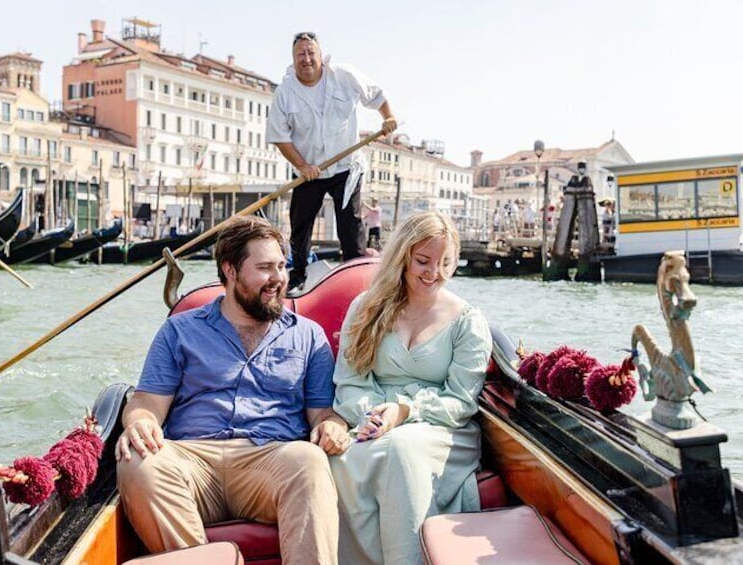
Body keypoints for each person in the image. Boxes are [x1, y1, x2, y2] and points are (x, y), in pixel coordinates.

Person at [115, 216, 349, 563]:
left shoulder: (308, 335)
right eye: (265, 267)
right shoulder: (179, 330)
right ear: (230, 270)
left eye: (282, 266)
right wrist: (139, 421)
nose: (279, 278)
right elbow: (146, 402)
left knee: (309, 461)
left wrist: (333, 425)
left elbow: (322, 412)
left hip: (270, 459)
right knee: (137, 463)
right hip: (192, 459)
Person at [329, 211, 493, 565]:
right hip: (371, 422)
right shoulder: (366, 308)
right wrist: (374, 416)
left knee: (403, 448)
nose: (435, 273)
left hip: (443, 429)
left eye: (446, 262)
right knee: (339, 462)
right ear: (402, 256)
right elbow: (350, 384)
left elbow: (461, 402)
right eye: (423, 261)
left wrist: (405, 411)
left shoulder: (469, 321)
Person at [266, 31, 398, 291]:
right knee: (300, 224)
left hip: (347, 166)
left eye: (310, 52)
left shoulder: (344, 76)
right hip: (309, 170)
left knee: (350, 225)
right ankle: (298, 276)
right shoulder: (285, 92)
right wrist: (303, 166)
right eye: (300, 54)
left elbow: (377, 95)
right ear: (293, 60)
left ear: (320, 55)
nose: (306, 59)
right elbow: (279, 136)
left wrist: (388, 117)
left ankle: (356, 279)